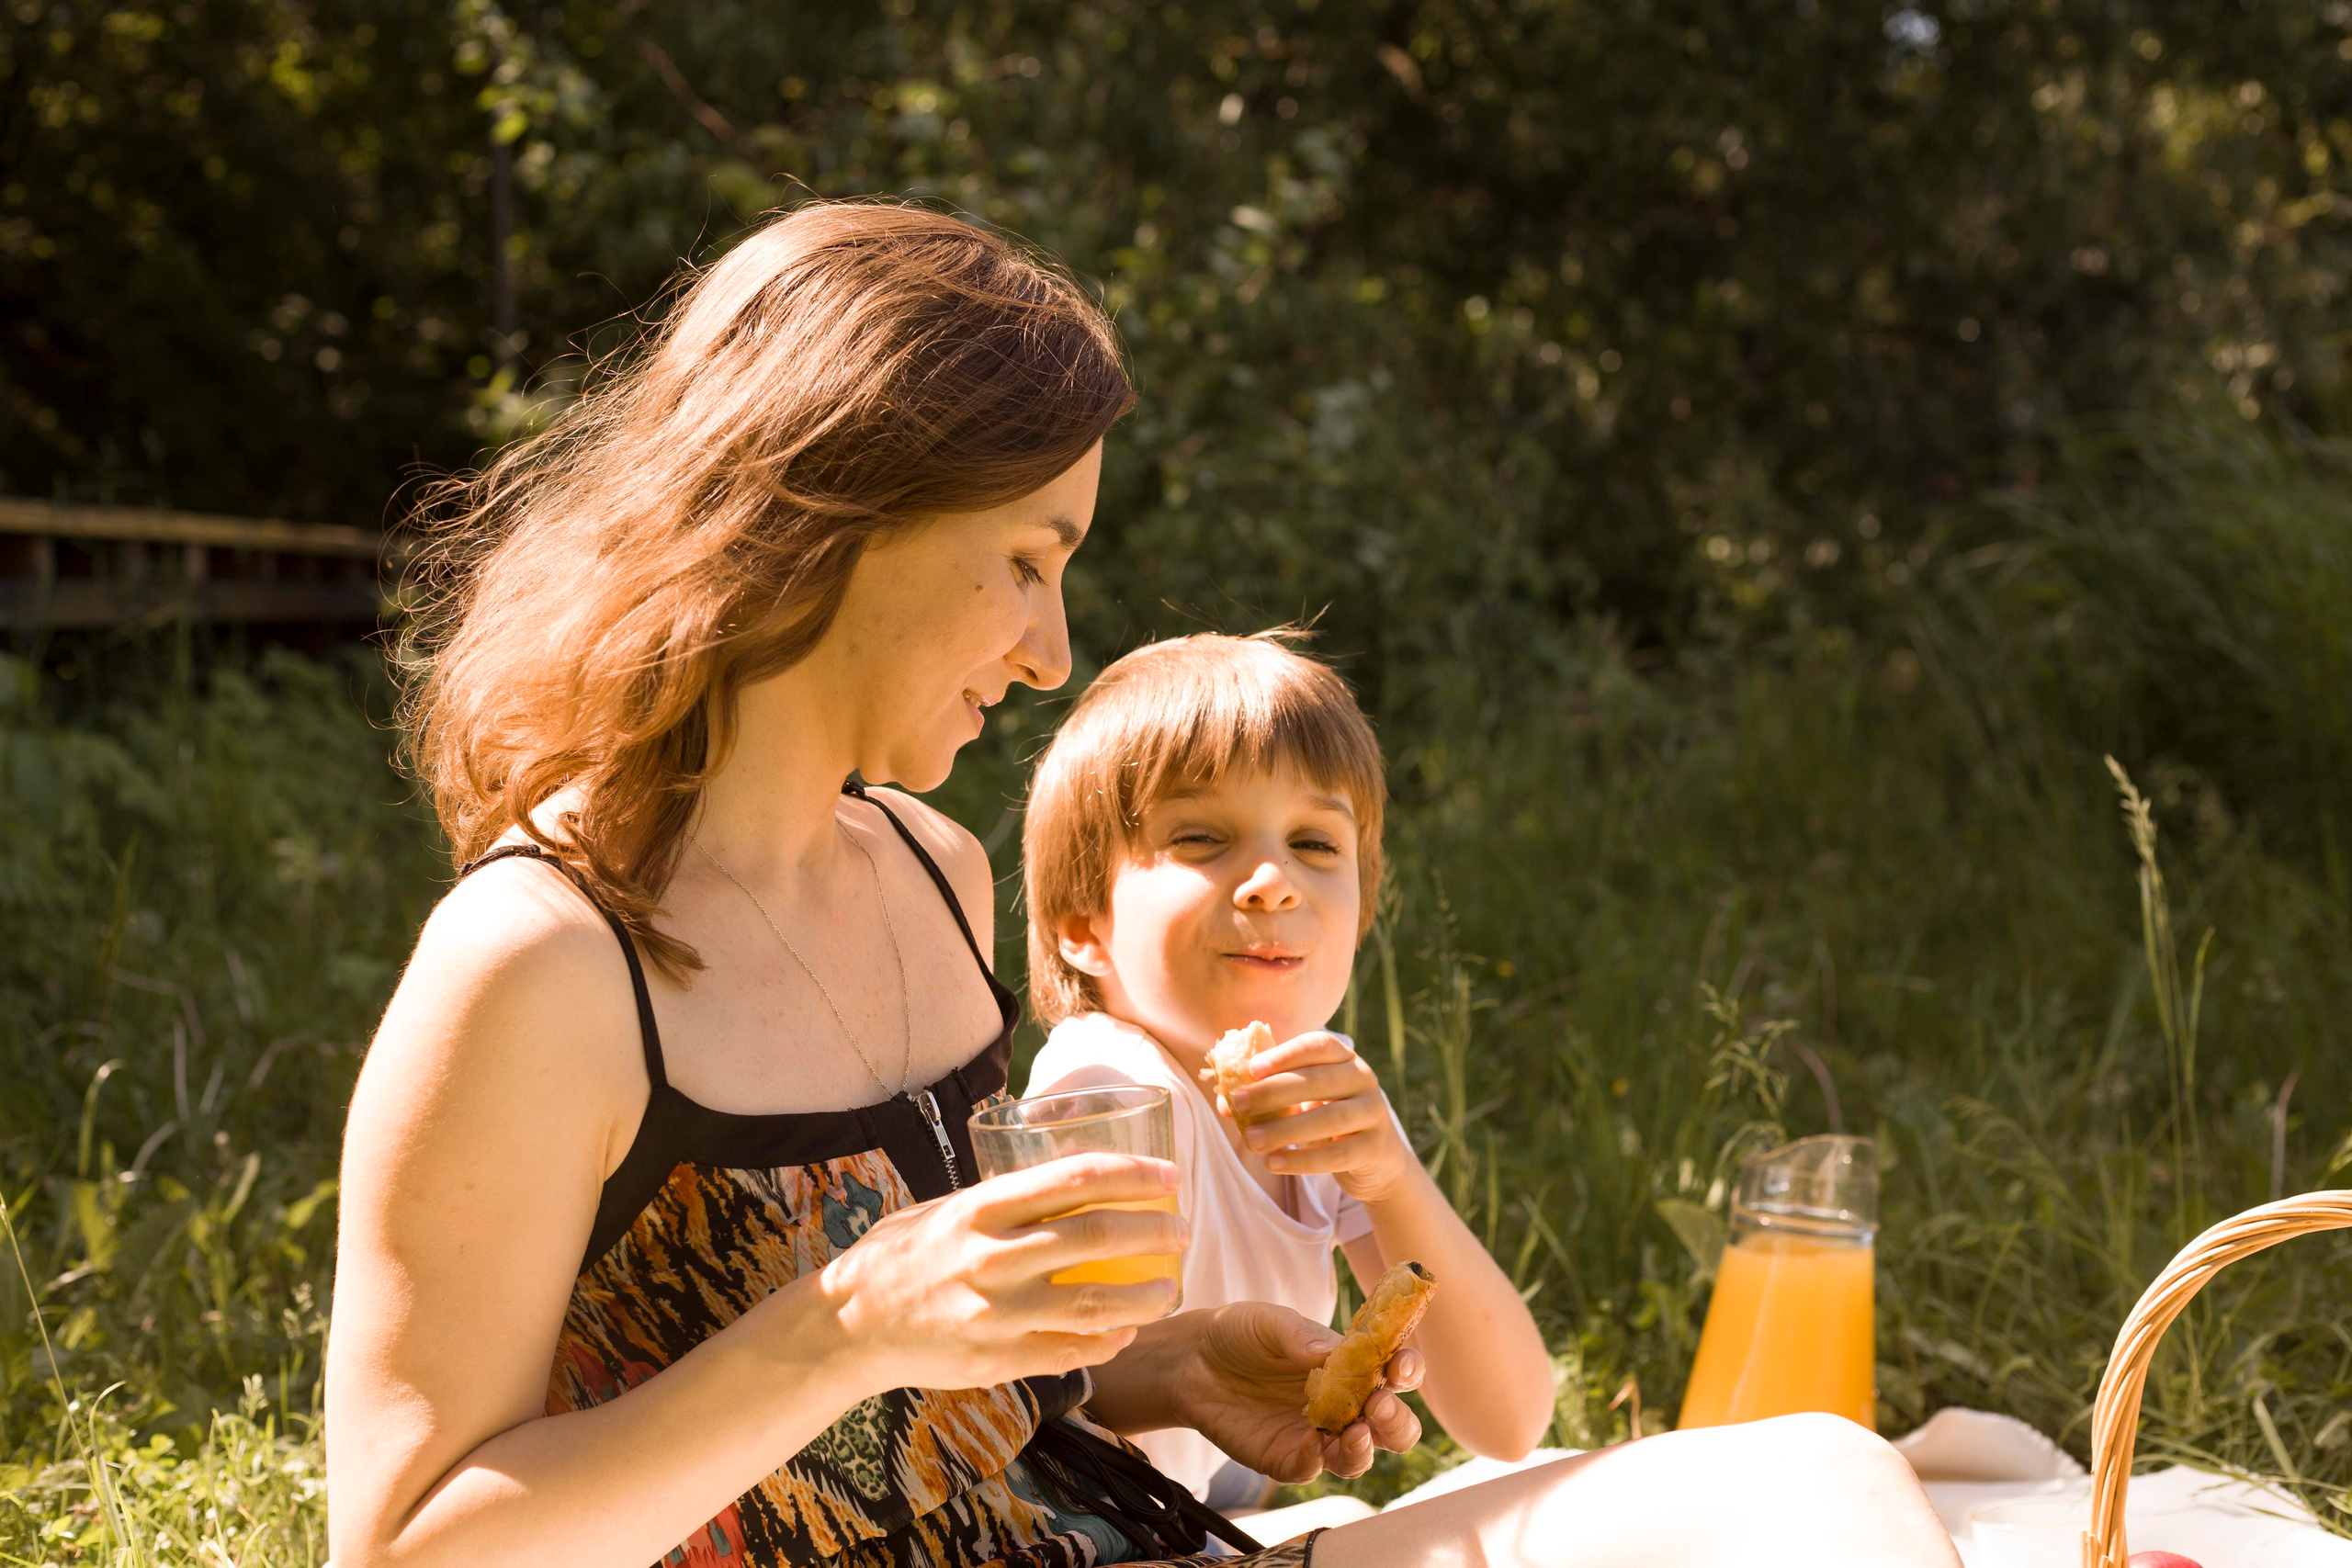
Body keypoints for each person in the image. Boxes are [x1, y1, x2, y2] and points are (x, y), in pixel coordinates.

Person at [326, 198, 1962, 1568]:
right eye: (1027, 560)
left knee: (1819, 1475)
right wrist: (838, 1321)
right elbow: (402, 1540)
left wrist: (1173, 1367)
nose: (1048, 655)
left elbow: (958, 1412)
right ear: (834, 509)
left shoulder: (927, 870)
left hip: (1116, 1539)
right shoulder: (542, 961)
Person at [1019, 632, 1555, 1532]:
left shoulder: (1317, 1095)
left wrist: (1388, 1177)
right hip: (1132, 1537)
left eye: (1314, 842)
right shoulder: (1104, 1087)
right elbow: (1052, 1406)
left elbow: (1505, 1419)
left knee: (1553, 1472)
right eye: (1202, 837)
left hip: (1226, 1514)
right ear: (1084, 925)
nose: (1271, 881)